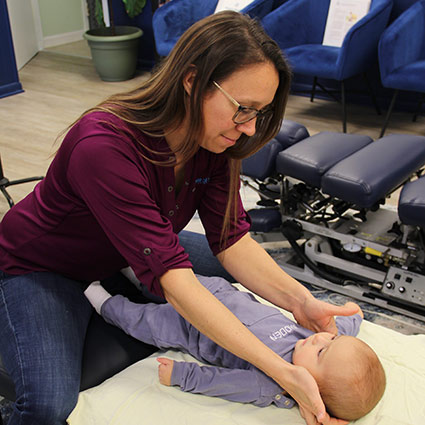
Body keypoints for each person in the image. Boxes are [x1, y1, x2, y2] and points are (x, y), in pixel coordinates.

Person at [0, 11, 358, 425]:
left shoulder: (214, 139)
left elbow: (232, 239)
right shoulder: (102, 145)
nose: (249, 128)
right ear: (192, 81)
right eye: (244, 108)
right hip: (41, 266)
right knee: (46, 407)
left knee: (225, 285)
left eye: (260, 113)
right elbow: (175, 281)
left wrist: (302, 302)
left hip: (121, 251)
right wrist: (281, 371)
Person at [85, 274, 386, 422]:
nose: (320, 339)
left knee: (139, 320)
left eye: (323, 352)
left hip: (187, 326)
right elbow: (342, 330)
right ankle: (129, 267)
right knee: (158, 276)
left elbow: (221, 383)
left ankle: (97, 297)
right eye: (330, 340)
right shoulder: (312, 338)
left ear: (312, 391)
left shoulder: (268, 386)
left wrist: (181, 375)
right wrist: (353, 316)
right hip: (215, 290)